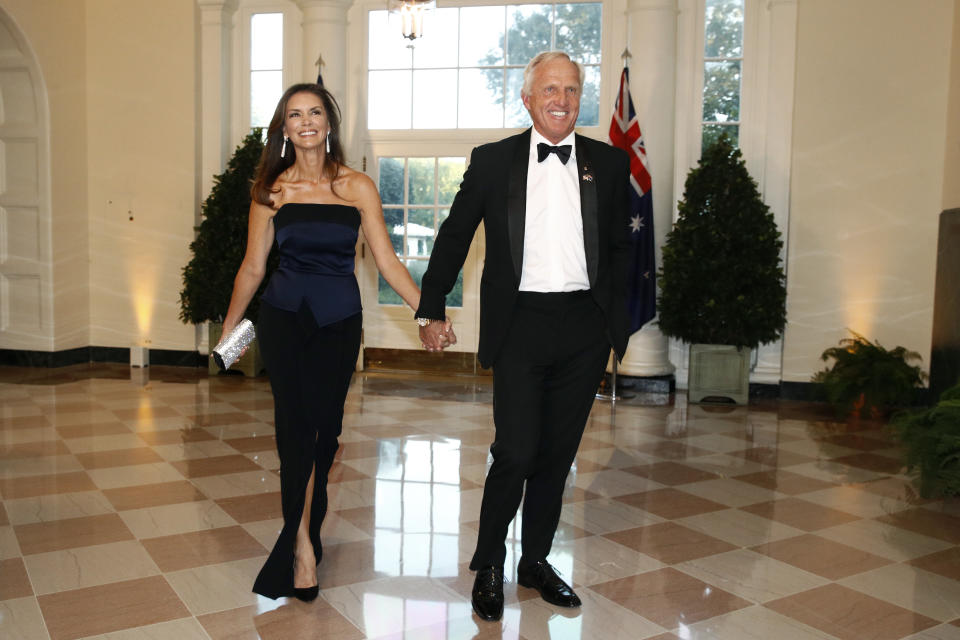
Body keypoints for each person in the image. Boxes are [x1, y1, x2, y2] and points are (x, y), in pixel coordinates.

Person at [416, 51, 631, 621]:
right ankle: (489, 562)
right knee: (515, 451)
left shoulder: (608, 165)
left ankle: (533, 561)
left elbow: (620, 249)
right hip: (521, 327)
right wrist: (429, 308)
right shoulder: (493, 162)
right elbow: (455, 234)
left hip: (584, 329)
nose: (561, 99)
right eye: (550, 89)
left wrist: (614, 324)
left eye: (572, 89)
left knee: (558, 457)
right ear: (528, 98)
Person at [220, 83, 453, 601]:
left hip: (338, 323)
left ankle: (309, 523)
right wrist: (229, 329)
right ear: (283, 127)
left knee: (325, 436)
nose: (306, 121)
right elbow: (254, 266)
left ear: (330, 123)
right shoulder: (272, 191)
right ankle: (300, 545)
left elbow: (388, 262)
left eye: (316, 112)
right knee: (293, 432)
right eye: (295, 114)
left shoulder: (357, 187)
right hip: (283, 320)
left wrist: (428, 313)